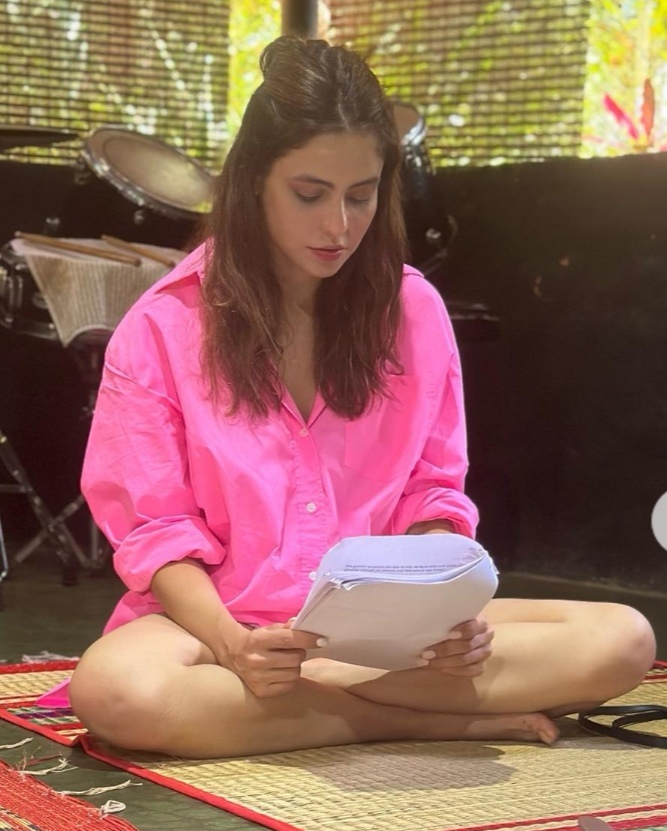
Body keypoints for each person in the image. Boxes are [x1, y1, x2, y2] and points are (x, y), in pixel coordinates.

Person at [68, 36, 656, 759]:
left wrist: (446, 608)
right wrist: (234, 645)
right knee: (117, 690)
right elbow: (155, 532)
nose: (339, 226)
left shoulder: (412, 311)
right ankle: (409, 719)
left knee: (623, 639)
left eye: (361, 194)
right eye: (309, 193)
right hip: (219, 626)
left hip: (383, 637)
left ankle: (320, 702)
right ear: (253, 181)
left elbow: (431, 493)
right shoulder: (164, 325)